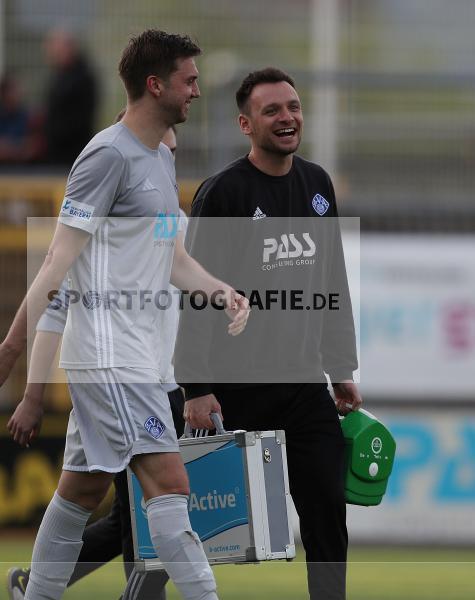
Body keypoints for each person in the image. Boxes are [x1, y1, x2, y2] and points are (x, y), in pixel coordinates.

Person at [0, 30, 249, 600]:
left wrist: (223, 292)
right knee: (170, 485)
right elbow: (55, 261)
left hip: (136, 357)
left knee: (82, 490)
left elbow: (174, 259)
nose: (196, 90)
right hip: (112, 358)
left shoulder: (160, 159)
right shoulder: (106, 156)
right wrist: (11, 348)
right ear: (155, 84)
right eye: (188, 80)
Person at [175, 67, 363, 600]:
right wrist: (195, 385)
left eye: (294, 107)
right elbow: (197, 293)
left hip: (303, 385)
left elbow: (332, 282)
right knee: (180, 518)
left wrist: (341, 369)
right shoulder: (225, 192)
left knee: (327, 512)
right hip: (233, 388)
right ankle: (125, 587)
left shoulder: (318, 184)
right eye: (272, 111)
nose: (287, 118)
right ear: (245, 123)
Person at [4, 122, 184, 600]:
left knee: (110, 505)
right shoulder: (94, 243)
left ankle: (37, 588)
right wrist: (32, 392)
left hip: (163, 385)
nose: (164, 166)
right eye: (158, 154)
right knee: (157, 503)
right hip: (122, 382)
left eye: (169, 159)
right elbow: (54, 307)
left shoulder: (169, 225)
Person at [41, 30, 99, 166]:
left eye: (57, 50)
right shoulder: (61, 75)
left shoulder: (82, 77)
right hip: (58, 149)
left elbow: (82, 116)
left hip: (72, 151)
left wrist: (56, 132)